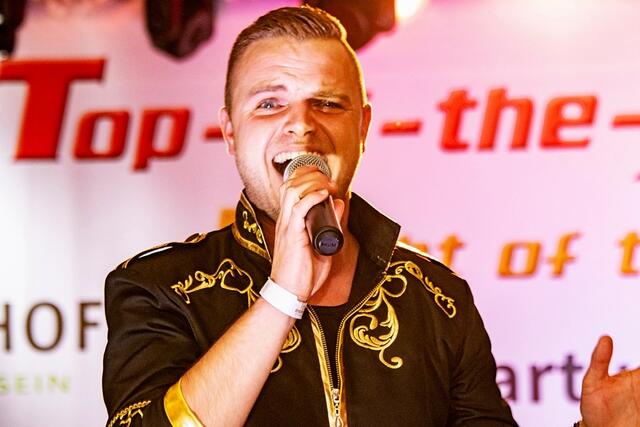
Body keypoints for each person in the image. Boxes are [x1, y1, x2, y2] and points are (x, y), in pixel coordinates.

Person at [102, 6, 640, 427]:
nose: (301, 125)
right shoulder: (158, 287)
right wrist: (281, 296)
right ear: (229, 132)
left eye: (327, 104)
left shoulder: (439, 300)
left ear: (362, 128)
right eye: (269, 104)